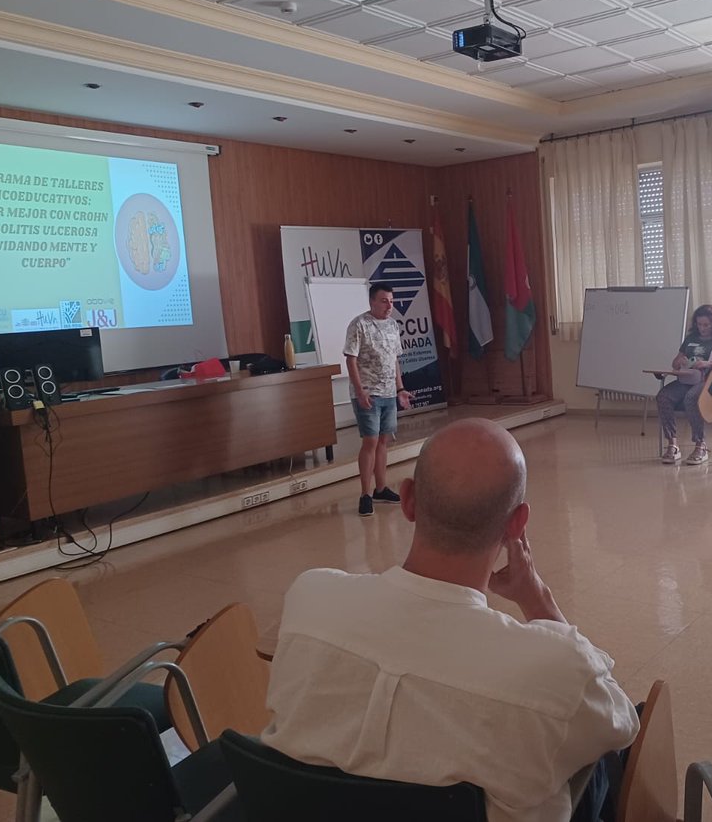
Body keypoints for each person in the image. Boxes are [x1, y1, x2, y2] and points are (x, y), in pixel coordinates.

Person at [263, 419, 639, 822]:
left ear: (408, 500)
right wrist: (536, 597)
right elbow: (620, 724)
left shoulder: (310, 598)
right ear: (517, 523)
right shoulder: (557, 670)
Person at [344, 283, 413, 516]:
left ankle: (381, 488)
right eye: (384, 301)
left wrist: (400, 388)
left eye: (392, 301)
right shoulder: (359, 324)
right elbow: (350, 360)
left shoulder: (393, 325)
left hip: (388, 393)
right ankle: (365, 494)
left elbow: (394, 359)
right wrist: (360, 391)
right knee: (370, 442)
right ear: (372, 302)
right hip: (368, 394)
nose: (389, 305)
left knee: (384, 440)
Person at [657, 304, 712, 465]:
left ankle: (700, 444)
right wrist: (679, 361)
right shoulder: (690, 339)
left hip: (711, 382)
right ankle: (672, 444)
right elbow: (675, 363)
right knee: (663, 396)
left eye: (706, 325)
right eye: (699, 324)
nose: (702, 328)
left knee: (692, 397)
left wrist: (711, 364)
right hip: (688, 379)